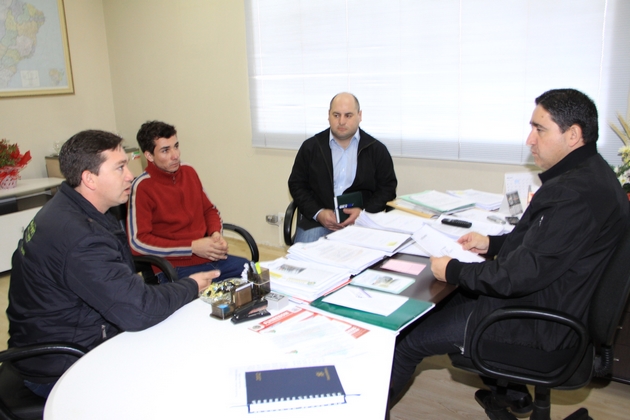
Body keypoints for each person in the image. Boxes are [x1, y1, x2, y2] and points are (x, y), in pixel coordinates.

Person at [390, 89, 629, 415]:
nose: (530, 140)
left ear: (573, 135)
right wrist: (492, 244)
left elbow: (519, 275)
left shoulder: (573, 194)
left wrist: (454, 270)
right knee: (440, 302)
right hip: (558, 304)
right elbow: (544, 244)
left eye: (540, 129)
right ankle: (513, 394)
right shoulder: (592, 175)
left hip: (539, 326)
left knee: (407, 342)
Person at [6, 130, 219, 398]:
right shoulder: (79, 236)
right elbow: (138, 310)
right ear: (89, 178)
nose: (130, 175)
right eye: (120, 168)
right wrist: (191, 285)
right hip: (62, 367)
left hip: (58, 339)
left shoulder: (69, 208)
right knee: (178, 379)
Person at [128, 120, 248, 283]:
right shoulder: (142, 187)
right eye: (165, 150)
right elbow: (138, 243)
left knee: (252, 273)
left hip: (210, 258)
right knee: (211, 296)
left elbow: (209, 210)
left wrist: (215, 235)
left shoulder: (189, 172)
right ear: (149, 156)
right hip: (174, 268)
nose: (175, 155)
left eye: (176, 146)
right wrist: (191, 247)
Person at [288, 92, 397, 243]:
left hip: (362, 223)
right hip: (318, 222)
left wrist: (364, 213)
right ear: (328, 115)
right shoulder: (311, 147)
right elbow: (297, 185)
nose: (341, 121)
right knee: (304, 257)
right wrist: (318, 213)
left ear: (359, 115)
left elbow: (387, 188)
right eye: (336, 115)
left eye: (348, 115)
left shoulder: (376, 150)